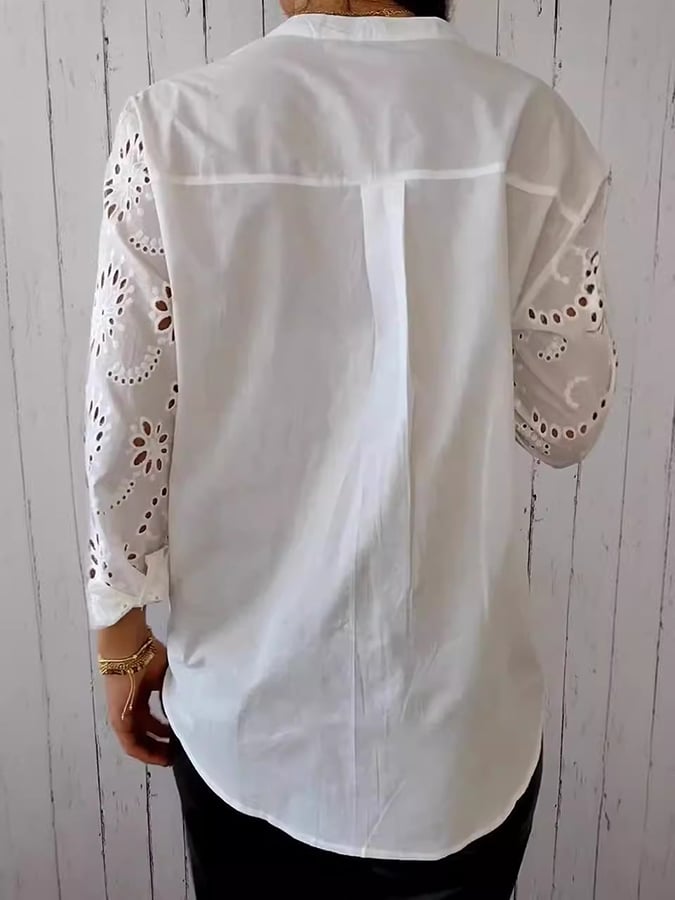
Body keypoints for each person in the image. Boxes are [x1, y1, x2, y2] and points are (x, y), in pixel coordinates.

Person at [85, 1, 616, 897]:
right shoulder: (530, 130)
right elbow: (567, 420)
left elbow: (125, 433)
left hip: (251, 726)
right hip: (460, 745)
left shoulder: (173, 132)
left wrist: (120, 642)